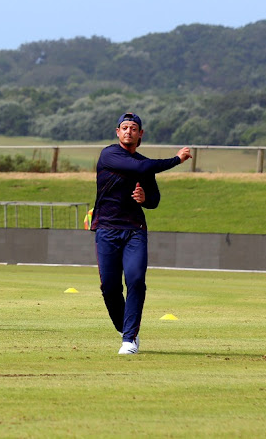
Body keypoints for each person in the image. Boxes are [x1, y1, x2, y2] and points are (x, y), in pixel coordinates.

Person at [91, 112, 192, 355]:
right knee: (110, 287)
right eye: (124, 127)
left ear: (140, 134)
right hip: (106, 229)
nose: (128, 131)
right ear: (117, 132)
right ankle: (124, 328)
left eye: (133, 128)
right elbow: (141, 166)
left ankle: (129, 337)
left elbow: (155, 200)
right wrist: (177, 160)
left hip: (134, 231)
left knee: (136, 280)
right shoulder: (110, 154)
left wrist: (146, 199)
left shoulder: (144, 166)